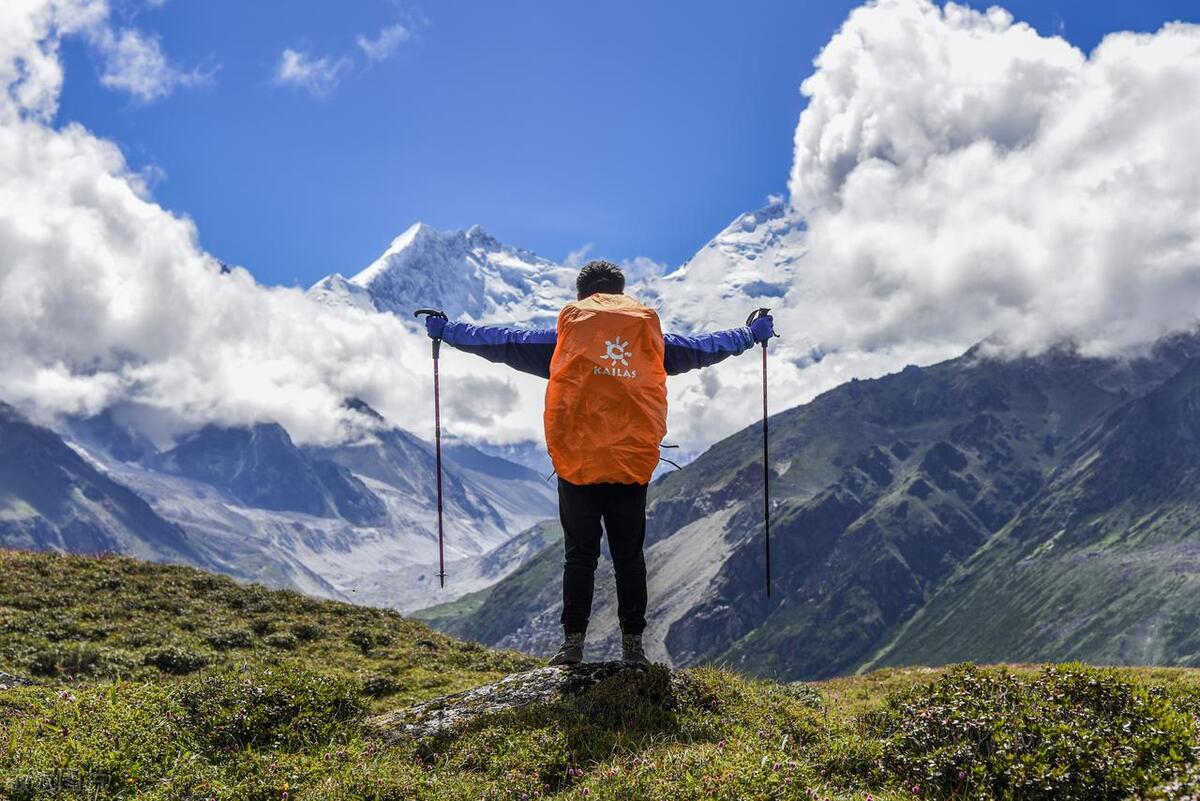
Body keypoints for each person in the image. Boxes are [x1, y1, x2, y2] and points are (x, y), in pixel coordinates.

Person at [423, 260, 775, 665]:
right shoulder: (649, 337)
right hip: (631, 464)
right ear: (622, 292)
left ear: (582, 295)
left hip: (579, 464)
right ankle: (634, 648)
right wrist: (750, 334)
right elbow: (704, 347)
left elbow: (503, 341)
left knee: (580, 555)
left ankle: (572, 645)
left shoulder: (566, 339)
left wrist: (449, 333)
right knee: (629, 557)